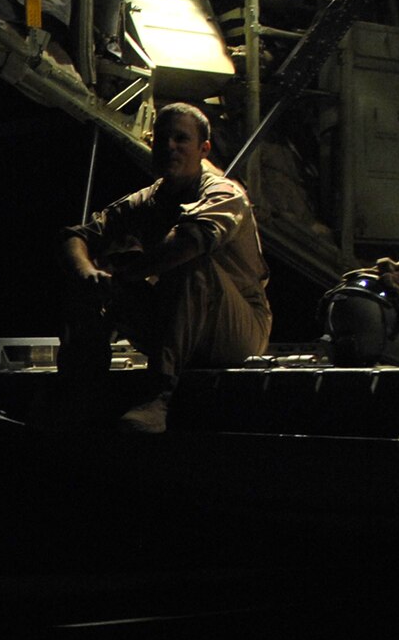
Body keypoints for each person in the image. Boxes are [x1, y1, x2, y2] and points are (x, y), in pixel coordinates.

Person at [55, 101, 272, 432]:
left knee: (187, 263)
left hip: (235, 328)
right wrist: (89, 274)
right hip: (179, 320)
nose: (170, 146)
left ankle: (161, 394)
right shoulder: (147, 200)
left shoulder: (224, 194)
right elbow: (77, 237)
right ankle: (81, 389)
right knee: (92, 271)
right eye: (162, 139)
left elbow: (188, 243)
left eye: (181, 139)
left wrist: (124, 276)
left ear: (204, 149)